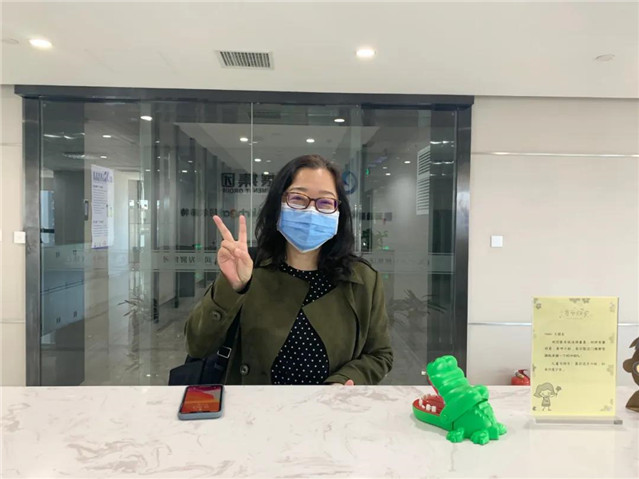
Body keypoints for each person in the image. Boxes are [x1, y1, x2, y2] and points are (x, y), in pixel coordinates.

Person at [184, 154, 393, 385]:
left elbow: (379, 354)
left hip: (327, 406)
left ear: (338, 212)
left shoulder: (363, 280)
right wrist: (232, 288)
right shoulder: (248, 266)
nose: (311, 212)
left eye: (325, 202)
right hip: (254, 406)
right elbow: (197, 345)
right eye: (298, 198)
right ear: (278, 203)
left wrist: (346, 379)